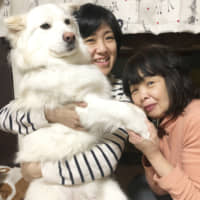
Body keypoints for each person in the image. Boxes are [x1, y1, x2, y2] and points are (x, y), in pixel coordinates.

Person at [0, 3, 130, 185]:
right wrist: (51, 115)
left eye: (109, 38)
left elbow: (103, 162)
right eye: (91, 40)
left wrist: (35, 170)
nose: (102, 49)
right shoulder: (52, 81)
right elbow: (5, 117)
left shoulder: (121, 93)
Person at [123, 44, 200, 200]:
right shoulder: (163, 120)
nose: (142, 95)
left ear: (172, 79)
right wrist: (149, 151)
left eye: (150, 83)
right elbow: (160, 190)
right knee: (139, 186)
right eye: (135, 90)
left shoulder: (195, 117)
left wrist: (153, 153)